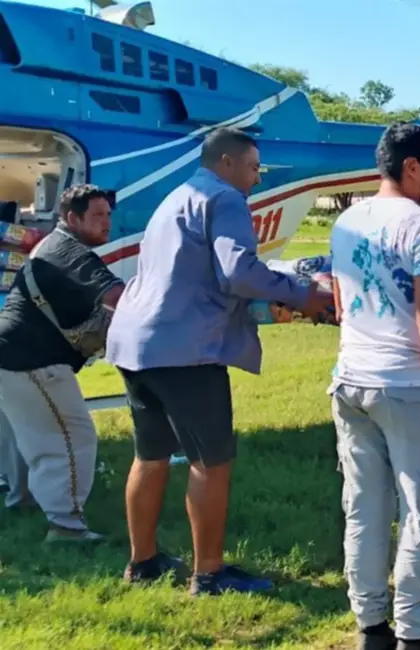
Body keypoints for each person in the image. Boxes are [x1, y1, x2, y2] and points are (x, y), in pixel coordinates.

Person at [104, 127, 333, 595]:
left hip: (136, 342)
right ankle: (209, 574)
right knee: (211, 460)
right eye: (253, 167)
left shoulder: (176, 197)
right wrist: (303, 294)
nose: (257, 178)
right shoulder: (225, 198)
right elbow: (238, 272)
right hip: (185, 349)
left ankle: (143, 562)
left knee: (150, 454)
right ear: (226, 162)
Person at [328, 123, 420, 650]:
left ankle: (371, 627)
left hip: (352, 380)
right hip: (411, 386)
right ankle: (416, 634)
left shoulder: (347, 221)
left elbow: (343, 304)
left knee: (364, 508)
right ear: (411, 167)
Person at [0, 184, 123, 542]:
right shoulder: (71, 251)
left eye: (108, 215)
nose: (107, 223)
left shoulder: (49, 244)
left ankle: (22, 503)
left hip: (9, 352)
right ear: (73, 218)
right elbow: (118, 295)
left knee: (25, 436)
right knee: (71, 437)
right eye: (98, 216)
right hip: (33, 359)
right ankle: (66, 527)